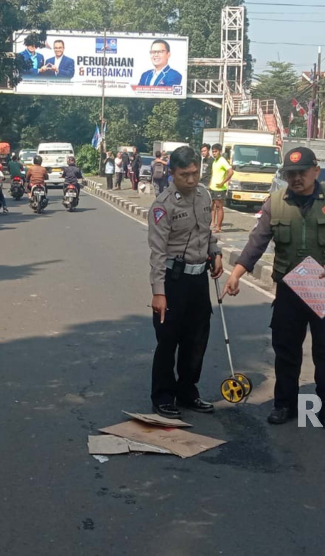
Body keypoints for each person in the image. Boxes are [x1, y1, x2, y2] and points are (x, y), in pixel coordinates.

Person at [222, 147, 325, 431]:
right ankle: (285, 405)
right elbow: (257, 242)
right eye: (291, 174)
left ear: (316, 172)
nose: (296, 178)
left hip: (324, 287)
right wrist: (236, 273)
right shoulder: (276, 203)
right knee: (286, 351)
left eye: (302, 173)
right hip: (288, 289)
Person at [147, 146, 223, 418]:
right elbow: (157, 253)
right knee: (168, 340)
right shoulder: (162, 206)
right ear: (172, 174)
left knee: (197, 339)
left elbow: (206, 231)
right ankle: (163, 396)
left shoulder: (204, 194)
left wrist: (215, 252)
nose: (191, 180)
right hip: (173, 280)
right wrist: (159, 293)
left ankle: (188, 391)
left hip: (198, 279)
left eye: (195, 173)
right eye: (184, 175)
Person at [209, 143, 233, 233]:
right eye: (213, 151)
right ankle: (213, 223)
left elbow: (230, 172)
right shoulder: (215, 161)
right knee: (212, 207)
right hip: (213, 187)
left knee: (219, 207)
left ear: (220, 152)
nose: (214, 153)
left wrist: (223, 182)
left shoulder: (222, 160)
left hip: (220, 188)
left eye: (216, 151)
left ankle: (218, 227)